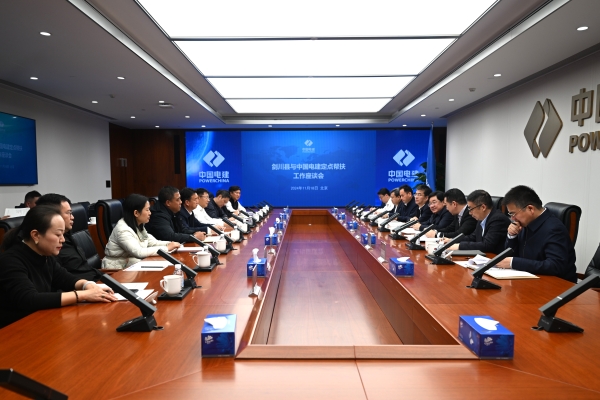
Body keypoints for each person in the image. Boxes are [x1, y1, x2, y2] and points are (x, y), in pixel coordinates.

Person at [0, 205, 117, 329]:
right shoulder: (10, 260)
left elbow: (65, 279)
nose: (63, 240)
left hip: (41, 321)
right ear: (35, 235)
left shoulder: (44, 254)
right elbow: (29, 299)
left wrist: (87, 285)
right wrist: (83, 295)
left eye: (63, 234)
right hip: (16, 329)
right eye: (58, 235)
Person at [496, 185, 577, 282]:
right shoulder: (526, 223)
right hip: (529, 279)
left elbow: (555, 265)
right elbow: (512, 255)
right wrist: (512, 236)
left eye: (513, 214)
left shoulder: (554, 229)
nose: (512, 219)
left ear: (530, 209)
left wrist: (514, 263)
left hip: (556, 284)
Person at [103, 194, 181, 269]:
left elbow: (152, 242)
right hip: (117, 269)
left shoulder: (138, 225)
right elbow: (139, 252)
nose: (150, 213)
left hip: (131, 265)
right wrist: (166, 248)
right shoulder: (123, 230)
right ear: (136, 213)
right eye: (147, 210)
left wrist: (170, 244)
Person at [36, 193, 101, 281]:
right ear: (52, 215)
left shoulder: (68, 235)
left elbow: (85, 270)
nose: (72, 217)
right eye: (68, 213)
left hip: (94, 280)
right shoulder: (49, 246)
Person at [446, 190, 511, 254]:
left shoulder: (498, 220)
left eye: (471, 209)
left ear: (483, 207)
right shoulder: (481, 219)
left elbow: (487, 245)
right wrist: (452, 241)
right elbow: (473, 237)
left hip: (495, 258)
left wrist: (459, 246)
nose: (470, 213)